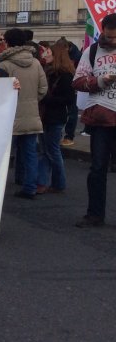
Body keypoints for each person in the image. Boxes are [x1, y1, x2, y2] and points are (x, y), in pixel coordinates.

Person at [71, 13, 116, 227]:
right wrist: (100, 80)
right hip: (101, 117)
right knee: (97, 168)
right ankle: (95, 213)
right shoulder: (92, 51)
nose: (112, 41)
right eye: (108, 37)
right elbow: (77, 81)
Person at [0, 28, 48, 200]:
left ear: (7, 43)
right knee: (30, 153)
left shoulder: (4, 65)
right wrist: (33, 100)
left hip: (9, 116)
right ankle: (30, 186)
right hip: (32, 114)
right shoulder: (36, 63)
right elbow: (43, 88)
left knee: (2, 155)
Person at [37, 41, 75, 194]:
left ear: (57, 56)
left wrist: (47, 99)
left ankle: (57, 182)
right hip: (47, 115)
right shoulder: (49, 72)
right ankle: (44, 182)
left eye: (49, 52)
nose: (46, 54)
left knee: (52, 151)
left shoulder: (65, 76)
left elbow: (69, 99)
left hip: (55, 116)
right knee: (47, 151)